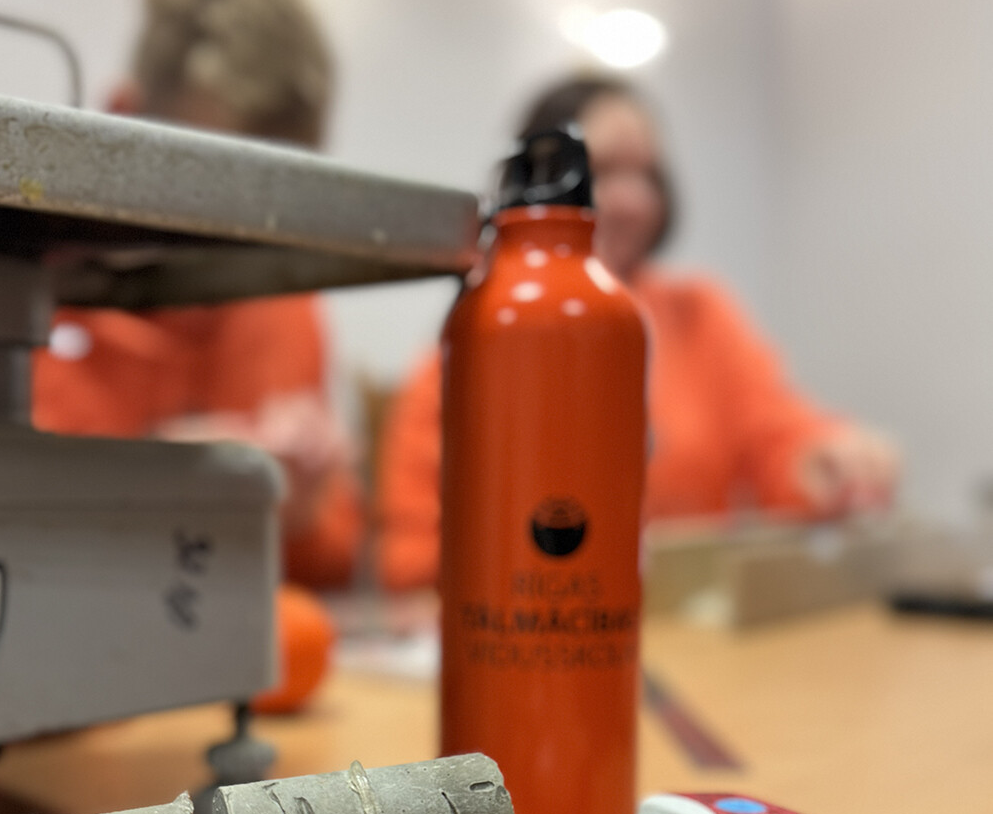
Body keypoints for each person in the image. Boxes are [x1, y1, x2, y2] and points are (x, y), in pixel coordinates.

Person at [376, 74, 899, 592]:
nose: (634, 201)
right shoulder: (477, 338)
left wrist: (825, 461)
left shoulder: (700, 313)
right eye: (603, 171)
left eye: (647, 174)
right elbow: (414, 556)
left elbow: (778, 435)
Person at [32, 0, 362, 589]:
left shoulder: (280, 297)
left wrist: (300, 506)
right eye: (208, 181)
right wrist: (173, 479)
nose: (239, 231)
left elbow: (332, 554)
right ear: (121, 116)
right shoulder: (20, 286)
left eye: (275, 195)